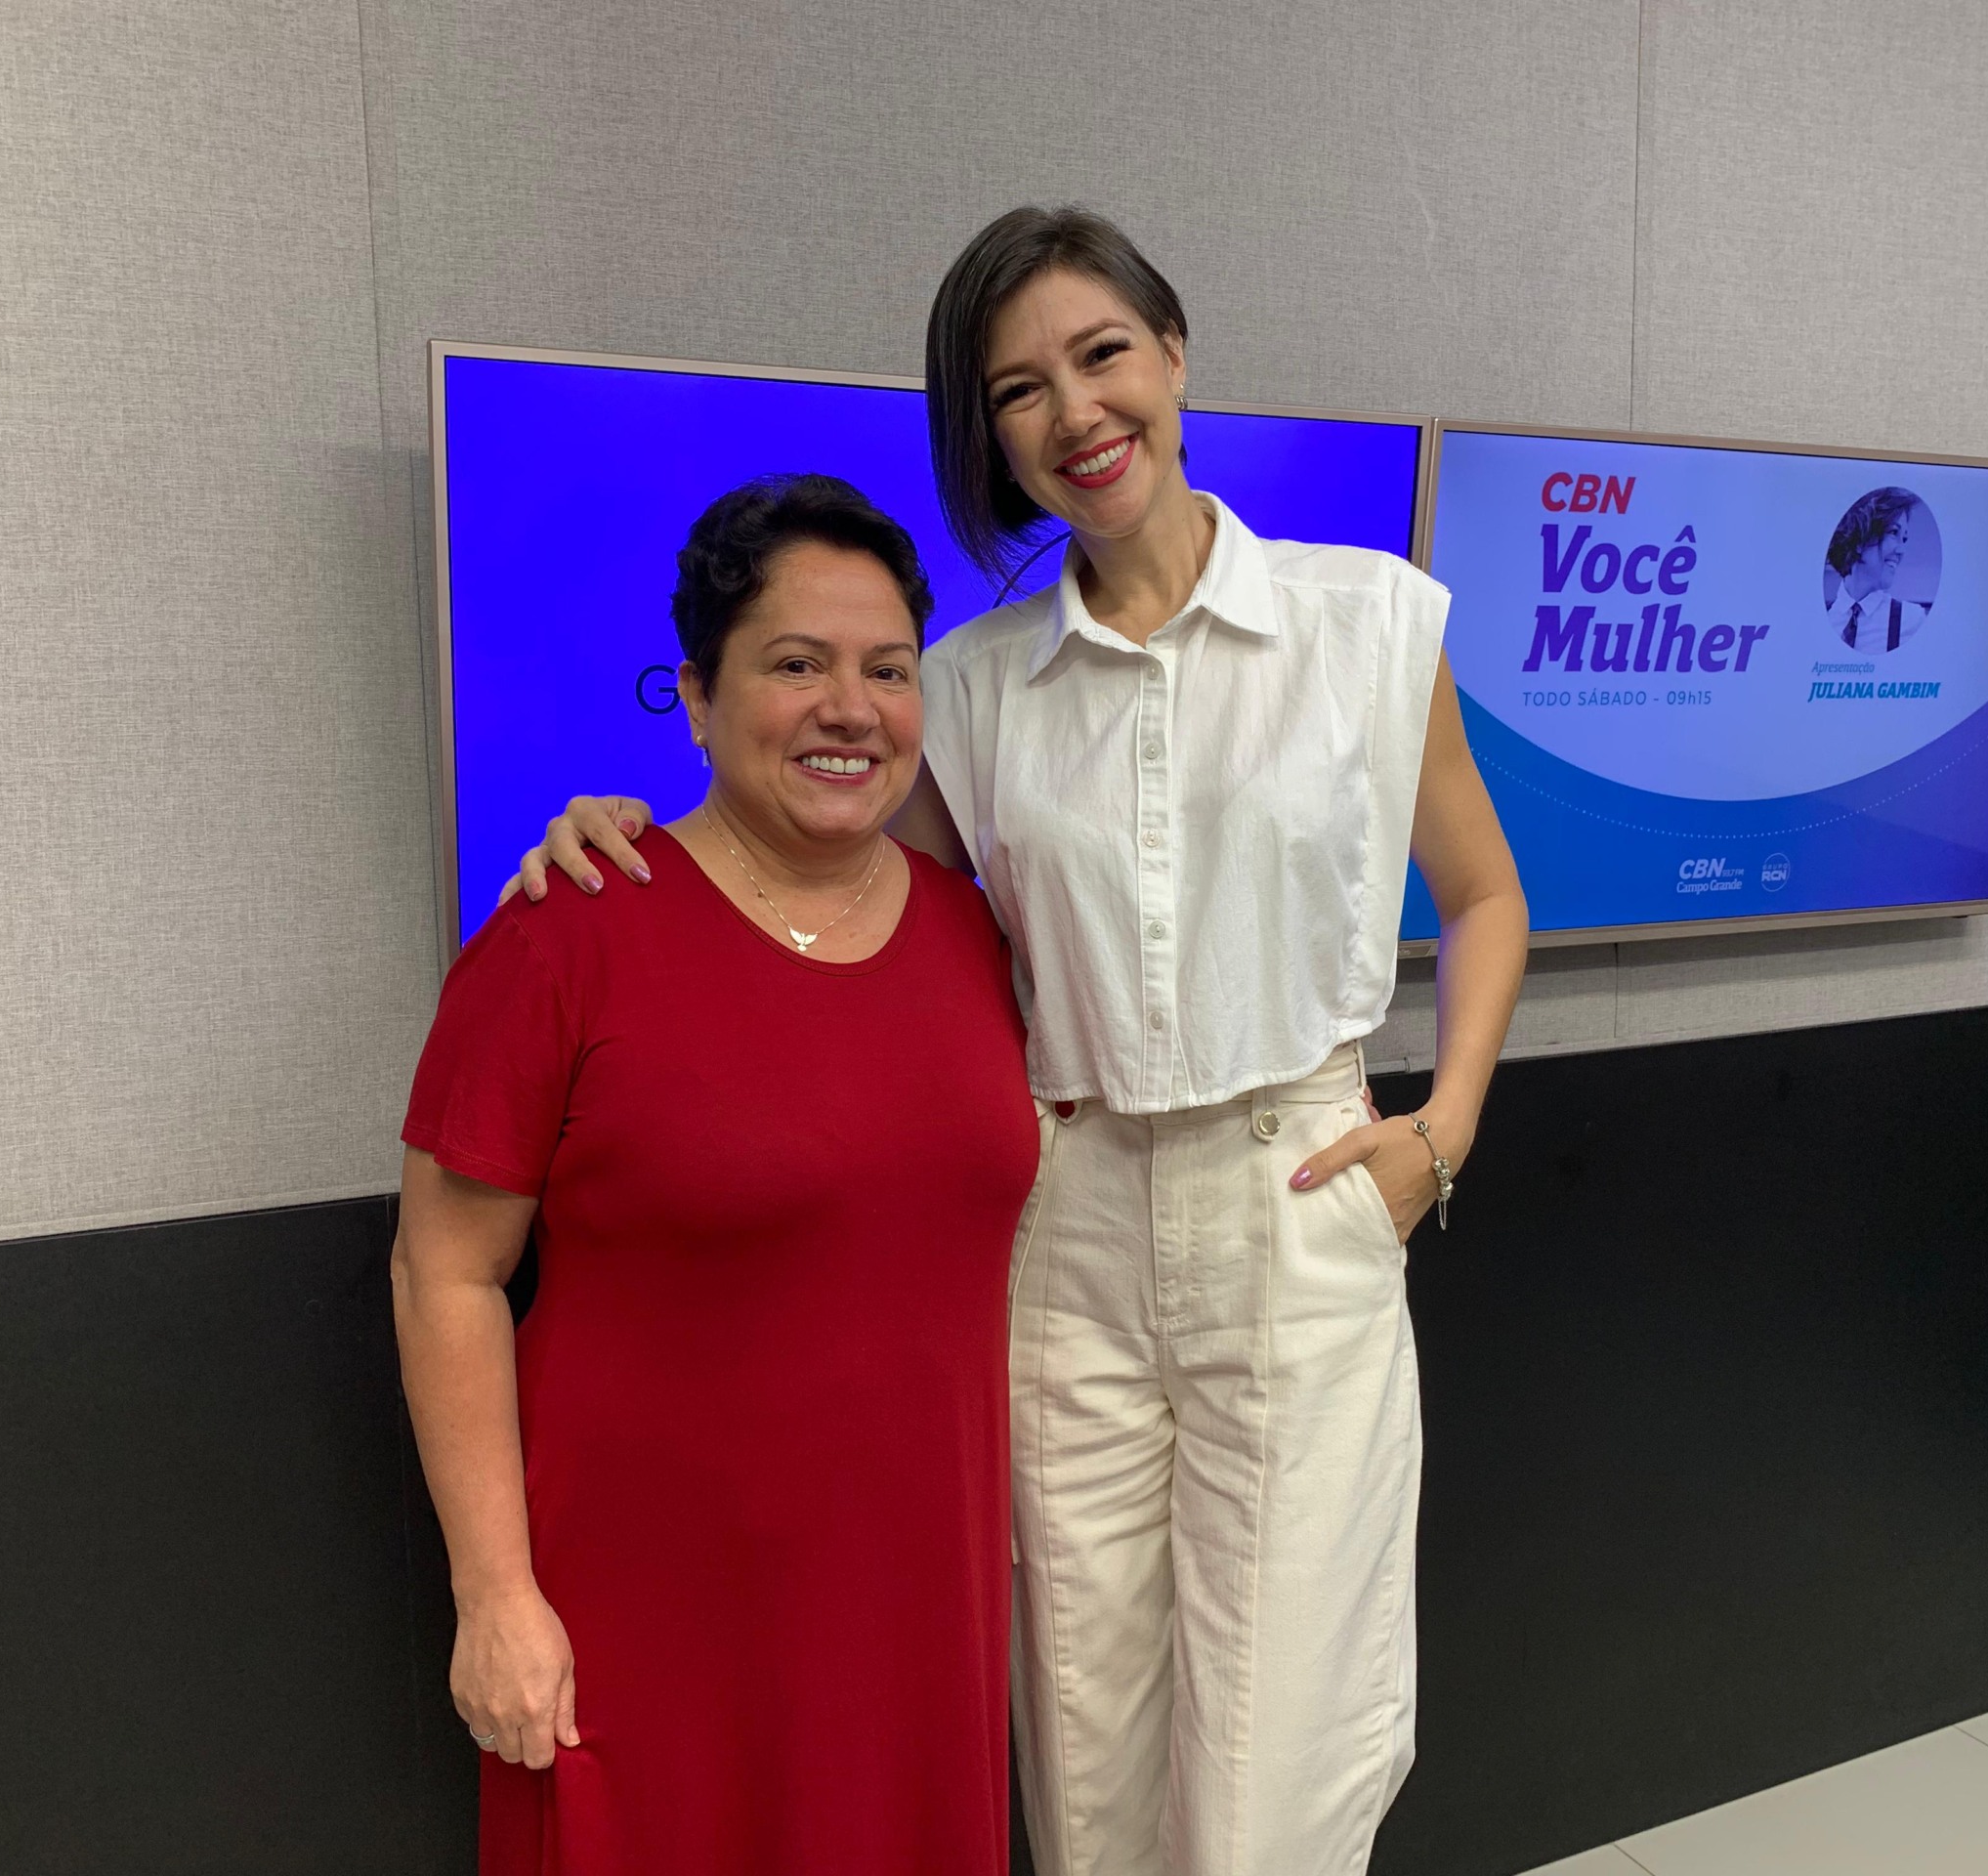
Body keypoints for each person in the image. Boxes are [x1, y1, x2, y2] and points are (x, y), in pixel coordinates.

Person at [512, 206, 1531, 1876]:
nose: (1074, 411)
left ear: (1174, 355)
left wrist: (1446, 1132)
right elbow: (829, 896)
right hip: (1060, 1228)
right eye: (1016, 389)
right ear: (989, 437)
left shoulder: (1368, 625)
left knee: (1280, 1764)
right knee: (1083, 1745)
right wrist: (620, 827)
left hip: (1298, 1191)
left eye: (1101, 354)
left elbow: (1485, 900)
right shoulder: (972, 685)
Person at [393, 473, 1036, 1875]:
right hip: (650, 1621)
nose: (848, 708)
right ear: (694, 694)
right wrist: (493, 1596)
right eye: (794, 665)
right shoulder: (571, 933)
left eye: (886, 670)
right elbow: (443, 1269)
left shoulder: (974, 933)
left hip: (919, 1608)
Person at [1824, 487, 1930, 653]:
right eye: (1893, 532)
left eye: (1904, 538)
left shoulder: (1911, 621)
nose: (1902, 550)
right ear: (1859, 539)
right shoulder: (1823, 619)